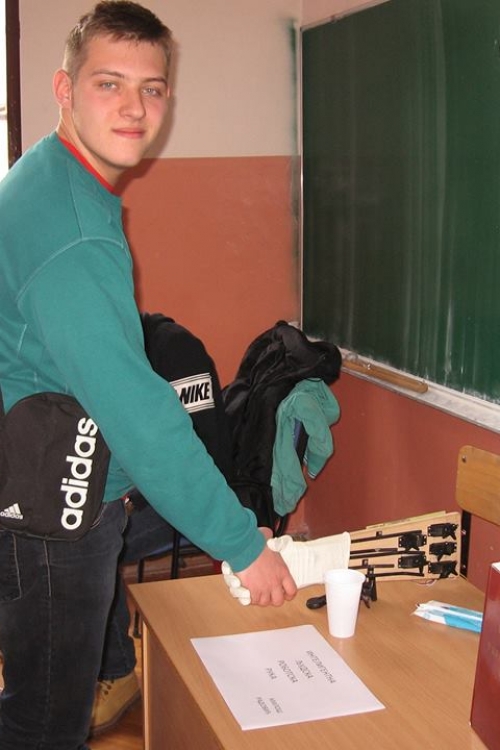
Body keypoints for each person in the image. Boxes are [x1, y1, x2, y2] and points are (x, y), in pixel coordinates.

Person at [0, 2, 297, 748]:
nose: (134, 108)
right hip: (52, 511)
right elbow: (136, 411)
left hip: (44, 471)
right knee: (44, 724)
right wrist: (242, 546)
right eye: (110, 83)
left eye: (152, 88)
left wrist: (224, 520)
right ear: (65, 89)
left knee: (37, 699)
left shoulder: (50, 176)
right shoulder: (74, 233)